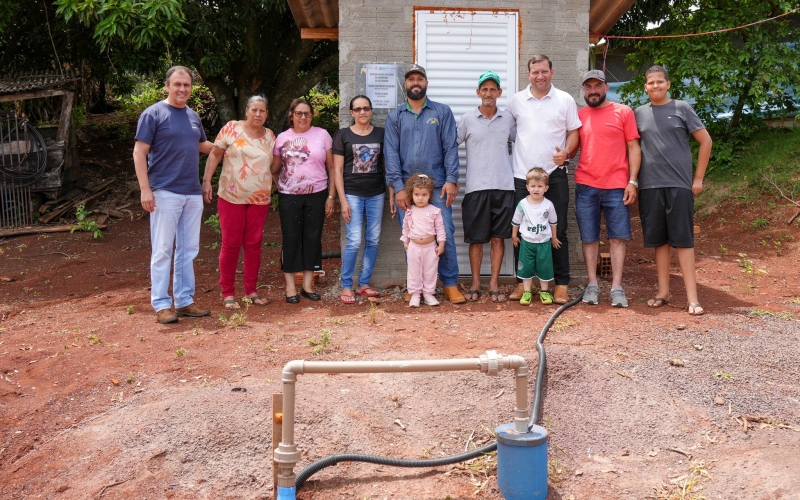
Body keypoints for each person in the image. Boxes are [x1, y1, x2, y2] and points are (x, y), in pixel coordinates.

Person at [133, 66, 214, 324]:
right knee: (163, 249)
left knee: (188, 249)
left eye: (187, 85)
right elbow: (139, 152)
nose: (182, 89)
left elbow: (202, 146)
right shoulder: (153, 114)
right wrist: (145, 189)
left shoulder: (193, 116)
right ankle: (161, 304)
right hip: (164, 192)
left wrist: (230, 144)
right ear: (167, 85)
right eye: (177, 84)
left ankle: (184, 301)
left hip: (191, 193)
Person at [385, 64, 466, 304]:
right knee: (411, 236)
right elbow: (390, 154)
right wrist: (398, 188)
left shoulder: (441, 112)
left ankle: (450, 283)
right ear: (405, 85)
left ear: (426, 83)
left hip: (438, 185)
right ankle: (415, 287)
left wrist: (452, 179)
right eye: (411, 80)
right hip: (408, 189)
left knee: (445, 232)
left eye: (420, 78)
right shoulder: (395, 117)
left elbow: (450, 148)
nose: (415, 83)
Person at [635, 65, 712, 315]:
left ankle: (693, 298)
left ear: (668, 84)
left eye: (659, 82)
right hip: (650, 186)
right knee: (660, 242)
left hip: (679, 185)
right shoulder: (638, 114)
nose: (655, 86)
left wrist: (698, 178)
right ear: (645, 87)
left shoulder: (682, 108)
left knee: (684, 241)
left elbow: (705, 141)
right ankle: (663, 292)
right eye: (650, 83)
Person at [506, 55, 581, 305]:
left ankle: (560, 286)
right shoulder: (516, 101)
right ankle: (521, 284)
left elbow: (574, 132)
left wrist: (567, 153)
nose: (540, 76)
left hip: (554, 176)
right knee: (521, 231)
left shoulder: (565, 100)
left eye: (544, 71)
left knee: (558, 230)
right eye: (535, 72)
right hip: (522, 178)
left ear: (552, 72)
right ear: (528, 74)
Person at [574, 70, 641, 307]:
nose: (593, 90)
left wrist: (632, 181)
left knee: (618, 238)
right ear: (584, 90)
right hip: (586, 185)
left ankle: (616, 287)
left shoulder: (624, 112)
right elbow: (570, 146)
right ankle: (592, 285)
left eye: (597, 86)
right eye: (588, 86)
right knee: (589, 238)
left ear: (606, 87)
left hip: (616, 187)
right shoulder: (579, 115)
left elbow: (634, 147)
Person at [202, 95, 275, 310]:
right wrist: (207, 181)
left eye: (262, 111)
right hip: (231, 198)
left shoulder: (270, 136)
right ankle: (228, 293)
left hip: (260, 199)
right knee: (231, 243)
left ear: (267, 114)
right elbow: (215, 155)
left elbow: (276, 164)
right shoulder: (232, 128)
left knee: (253, 244)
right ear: (246, 111)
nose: (258, 114)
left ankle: (251, 290)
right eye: (254, 110)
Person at [456, 70, 516, 303]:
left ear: (499, 93)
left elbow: (522, 142)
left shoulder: (508, 119)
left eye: (493, 89)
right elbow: (451, 145)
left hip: (504, 187)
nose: (488, 93)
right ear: (478, 92)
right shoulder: (467, 119)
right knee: (476, 240)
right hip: (475, 188)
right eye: (485, 89)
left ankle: (493, 284)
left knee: (498, 239)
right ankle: (475, 284)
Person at [270, 98, 336, 303]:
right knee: (290, 238)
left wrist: (331, 196)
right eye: (299, 113)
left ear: (312, 115)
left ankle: (308, 285)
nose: (303, 117)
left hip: (317, 193)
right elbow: (275, 167)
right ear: (291, 115)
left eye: (307, 113)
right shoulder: (282, 138)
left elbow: (332, 167)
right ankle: (290, 287)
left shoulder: (322, 135)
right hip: (289, 196)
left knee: (312, 237)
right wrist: (278, 184)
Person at [332, 95, 386, 304]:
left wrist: (390, 194)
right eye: (357, 109)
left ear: (371, 111)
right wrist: (342, 200)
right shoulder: (343, 135)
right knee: (354, 240)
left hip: (376, 193)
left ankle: (363, 284)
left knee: (373, 239)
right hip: (352, 194)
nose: (362, 112)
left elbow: (386, 166)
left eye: (366, 108)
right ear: (351, 112)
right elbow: (337, 170)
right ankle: (346, 285)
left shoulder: (381, 134)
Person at [511, 168, 560, 305]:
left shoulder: (548, 205)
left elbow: (553, 222)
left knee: (544, 267)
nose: (536, 189)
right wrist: (514, 236)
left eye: (540, 186)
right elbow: (516, 221)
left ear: (546, 188)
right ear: (527, 187)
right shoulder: (523, 204)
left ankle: (544, 291)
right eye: (533, 186)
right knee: (526, 268)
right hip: (527, 242)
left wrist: (554, 238)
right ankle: (527, 292)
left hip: (544, 242)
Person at [400, 173, 445, 308]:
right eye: (417, 195)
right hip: (414, 247)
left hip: (430, 247)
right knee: (414, 271)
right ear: (411, 195)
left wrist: (441, 244)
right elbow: (406, 227)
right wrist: (405, 241)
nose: (420, 198)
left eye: (424, 195)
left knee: (430, 271)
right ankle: (415, 294)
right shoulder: (410, 211)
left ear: (430, 195)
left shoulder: (434, 211)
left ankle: (428, 294)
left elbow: (440, 229)